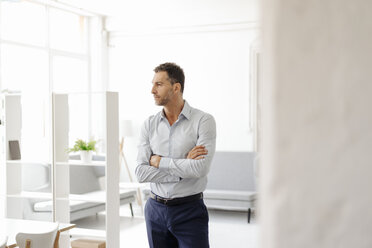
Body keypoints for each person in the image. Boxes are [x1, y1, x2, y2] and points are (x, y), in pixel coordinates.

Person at [136, 62, 216, 248]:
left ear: (176, 87)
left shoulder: (203, 121)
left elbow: (200, 168)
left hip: (190, 211)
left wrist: (159, 161)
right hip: (155, 210)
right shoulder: (149, 125)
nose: (152, 90)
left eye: (159, 84)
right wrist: (182, 166)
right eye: (153, 84)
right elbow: (141, 172)